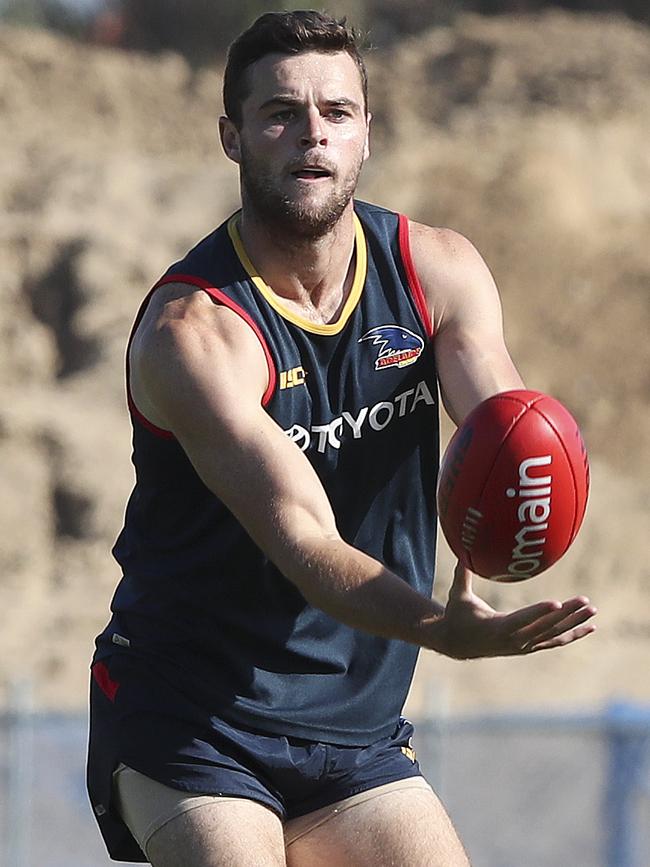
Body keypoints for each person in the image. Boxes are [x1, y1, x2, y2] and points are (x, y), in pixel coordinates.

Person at [86, 10, 596, 866]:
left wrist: (519, 515)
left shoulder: (437, 271)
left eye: (338, 112)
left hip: (354, 729)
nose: (311, 135)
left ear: (367, 136)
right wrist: (439, 624)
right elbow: (303, 536)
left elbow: (504, 429)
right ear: (233, 137)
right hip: (193, 716)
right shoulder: (195, 332)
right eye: (280, 113)